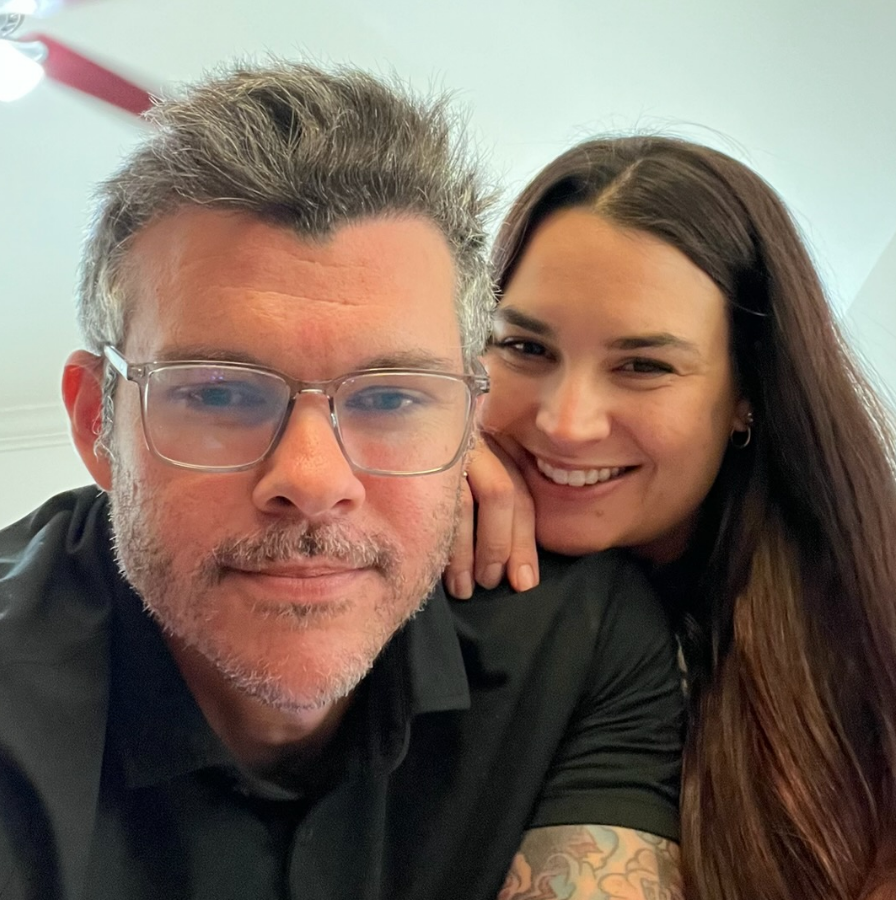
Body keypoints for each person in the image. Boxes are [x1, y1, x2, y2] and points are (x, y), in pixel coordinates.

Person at [0, 66, 686, 900]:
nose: (313, 480)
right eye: (219, 393)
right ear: (96, 426)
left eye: (392, 397)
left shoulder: (576, 640)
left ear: (468, 425)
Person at [445, 134, 896, 900]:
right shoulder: (428, 555)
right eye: (525, 346)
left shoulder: (871, 631)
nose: (566, 423)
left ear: (749, 393)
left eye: (643, 366)